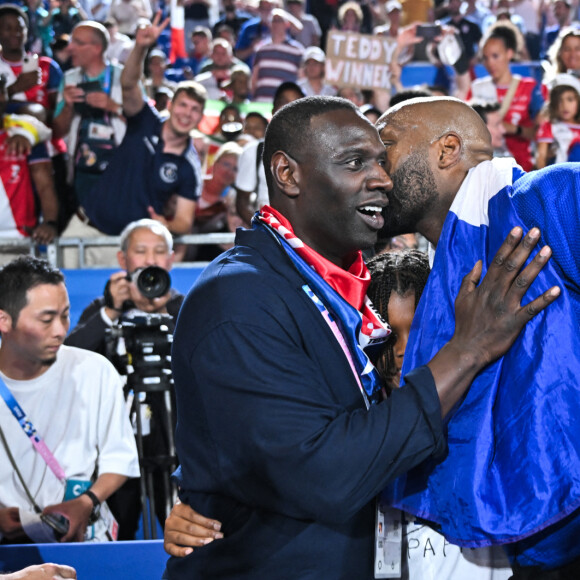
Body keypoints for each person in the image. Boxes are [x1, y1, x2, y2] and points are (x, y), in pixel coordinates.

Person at [162, 95, 558, 578]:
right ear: (287, 174)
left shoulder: (336, 287)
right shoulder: (239, 295)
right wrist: (467, 350)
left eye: (381, 157)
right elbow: (326, 474)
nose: (382, 178)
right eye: (356, 162)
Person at [375, 96, 580, 574]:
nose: (375, 172)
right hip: (533, 545)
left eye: (386, 147)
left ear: (447, 149)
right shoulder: (432, 285)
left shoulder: (542, 199)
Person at [0, 256, 139, 544]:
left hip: (84, 541)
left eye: (65, 315)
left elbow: (120, 458)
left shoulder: (95, 370)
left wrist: (87, 501)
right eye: (46, 319)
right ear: (4, 320)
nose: (61, 330)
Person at [65, 218, 182, 540]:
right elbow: (66, 358)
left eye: (159, 252)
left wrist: (167, 311)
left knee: (183, 532)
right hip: (118, 443)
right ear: (123, 260)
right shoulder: (105, 309)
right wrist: (110, 311)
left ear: (172, 259)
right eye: (140, 251)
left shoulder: (186, 308)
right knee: (119, 533)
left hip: (174, 441)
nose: (150, 261)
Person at [80, 14, 203, 238]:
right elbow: (128, 84)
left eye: (195, 109)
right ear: (170, 105)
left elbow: (184, 222)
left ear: (201, 117)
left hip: (129, 248)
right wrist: (141, 47)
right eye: (183, 105)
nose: (187, 114)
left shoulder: (189, 165)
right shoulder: (146, 119)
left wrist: (164, 224)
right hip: (84, 229)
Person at [54, 20, 126, 265]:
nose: (70, 47)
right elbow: (58, 130)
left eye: (77, 42)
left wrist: (112, 106)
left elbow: (143, 122)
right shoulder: (70, 77)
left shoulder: (123, 76)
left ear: (96, 48)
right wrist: (68, 106)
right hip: (81, 173)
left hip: (120, 172)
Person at [470, 22, 546, 171]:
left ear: (509, 53)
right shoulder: (476, 88)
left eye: (495, 56)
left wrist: (514, 129)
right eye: (485, 58)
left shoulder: (529, 87)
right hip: (486, 168)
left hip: (522, 167)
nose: (490, 62)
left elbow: (540, 133)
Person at [234, 80, 303, 225]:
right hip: (267, 236)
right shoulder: (254, 151)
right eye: (284, 102)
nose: (289, 107)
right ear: (273, 109)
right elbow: (242, 203)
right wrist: (266, 230)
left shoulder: (315, 153)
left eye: (296, 103)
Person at [536, 72, 580, 167]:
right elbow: (541, 157)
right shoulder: (550, 126)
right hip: (559, 174)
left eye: (570, 99)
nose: (565, 105)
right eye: (559, 101)